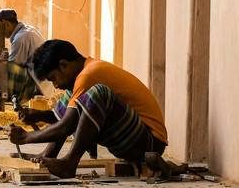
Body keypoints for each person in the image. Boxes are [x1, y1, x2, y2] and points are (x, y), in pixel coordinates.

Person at [9, 39, 178, 179]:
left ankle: (70, 163)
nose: (56, 85)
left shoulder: (89, 74)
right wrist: (38, 115)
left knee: (99, 93)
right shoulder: (83, 73)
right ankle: (48, 154)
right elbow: (67, 119)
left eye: (53, 79)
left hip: (150, 141)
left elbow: (66, 126)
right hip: (133, 139)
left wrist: (26, 137)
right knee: (71, 95)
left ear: (63, 65)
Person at [0, 9, 44, 104]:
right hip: (39, 80)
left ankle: (1, 100)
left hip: (37, 87)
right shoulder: (27, 30)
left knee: (3, 68)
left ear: (5, 24)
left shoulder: (21, 38)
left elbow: (7, 69)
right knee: (2, 66)